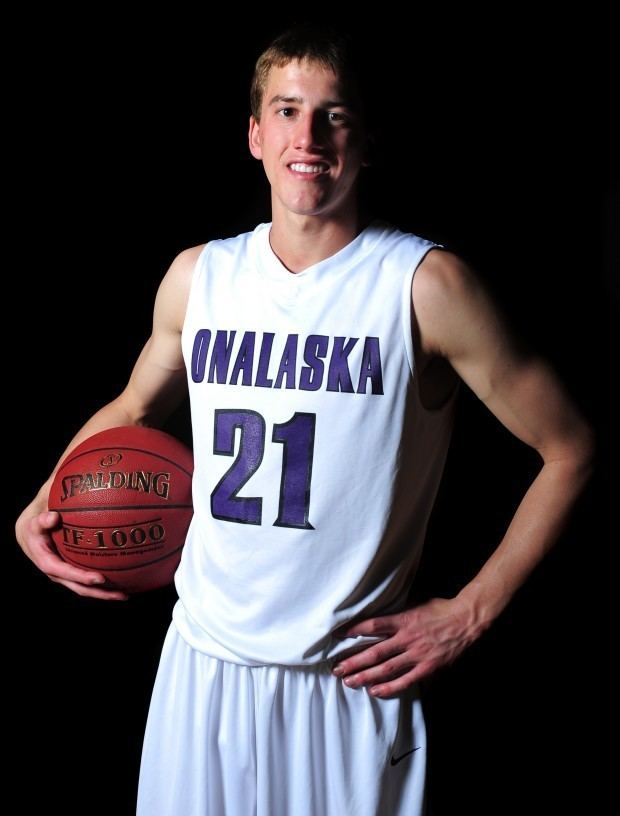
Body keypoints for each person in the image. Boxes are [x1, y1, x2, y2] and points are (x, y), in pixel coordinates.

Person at [15, 25, 594, 816]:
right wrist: (46, 499)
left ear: (367, 139)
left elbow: (570, 449)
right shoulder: (199, 278)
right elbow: (130, 407)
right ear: (255, 135)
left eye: (334, 115)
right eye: (286, 112)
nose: (308, 138)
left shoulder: (423, 287)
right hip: (203, 670)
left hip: (347, 684)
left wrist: (472, 611)